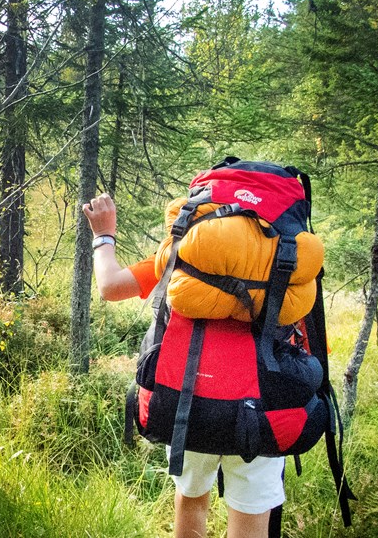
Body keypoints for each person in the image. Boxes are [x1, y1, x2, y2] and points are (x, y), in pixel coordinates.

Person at [83, 192, 283, 538]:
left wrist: (104, 234)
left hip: (189, 398)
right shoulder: (282, 252)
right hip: (262, 403)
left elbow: (110, 286)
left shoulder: (186, 251)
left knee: (191, 502)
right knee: (252, 517)